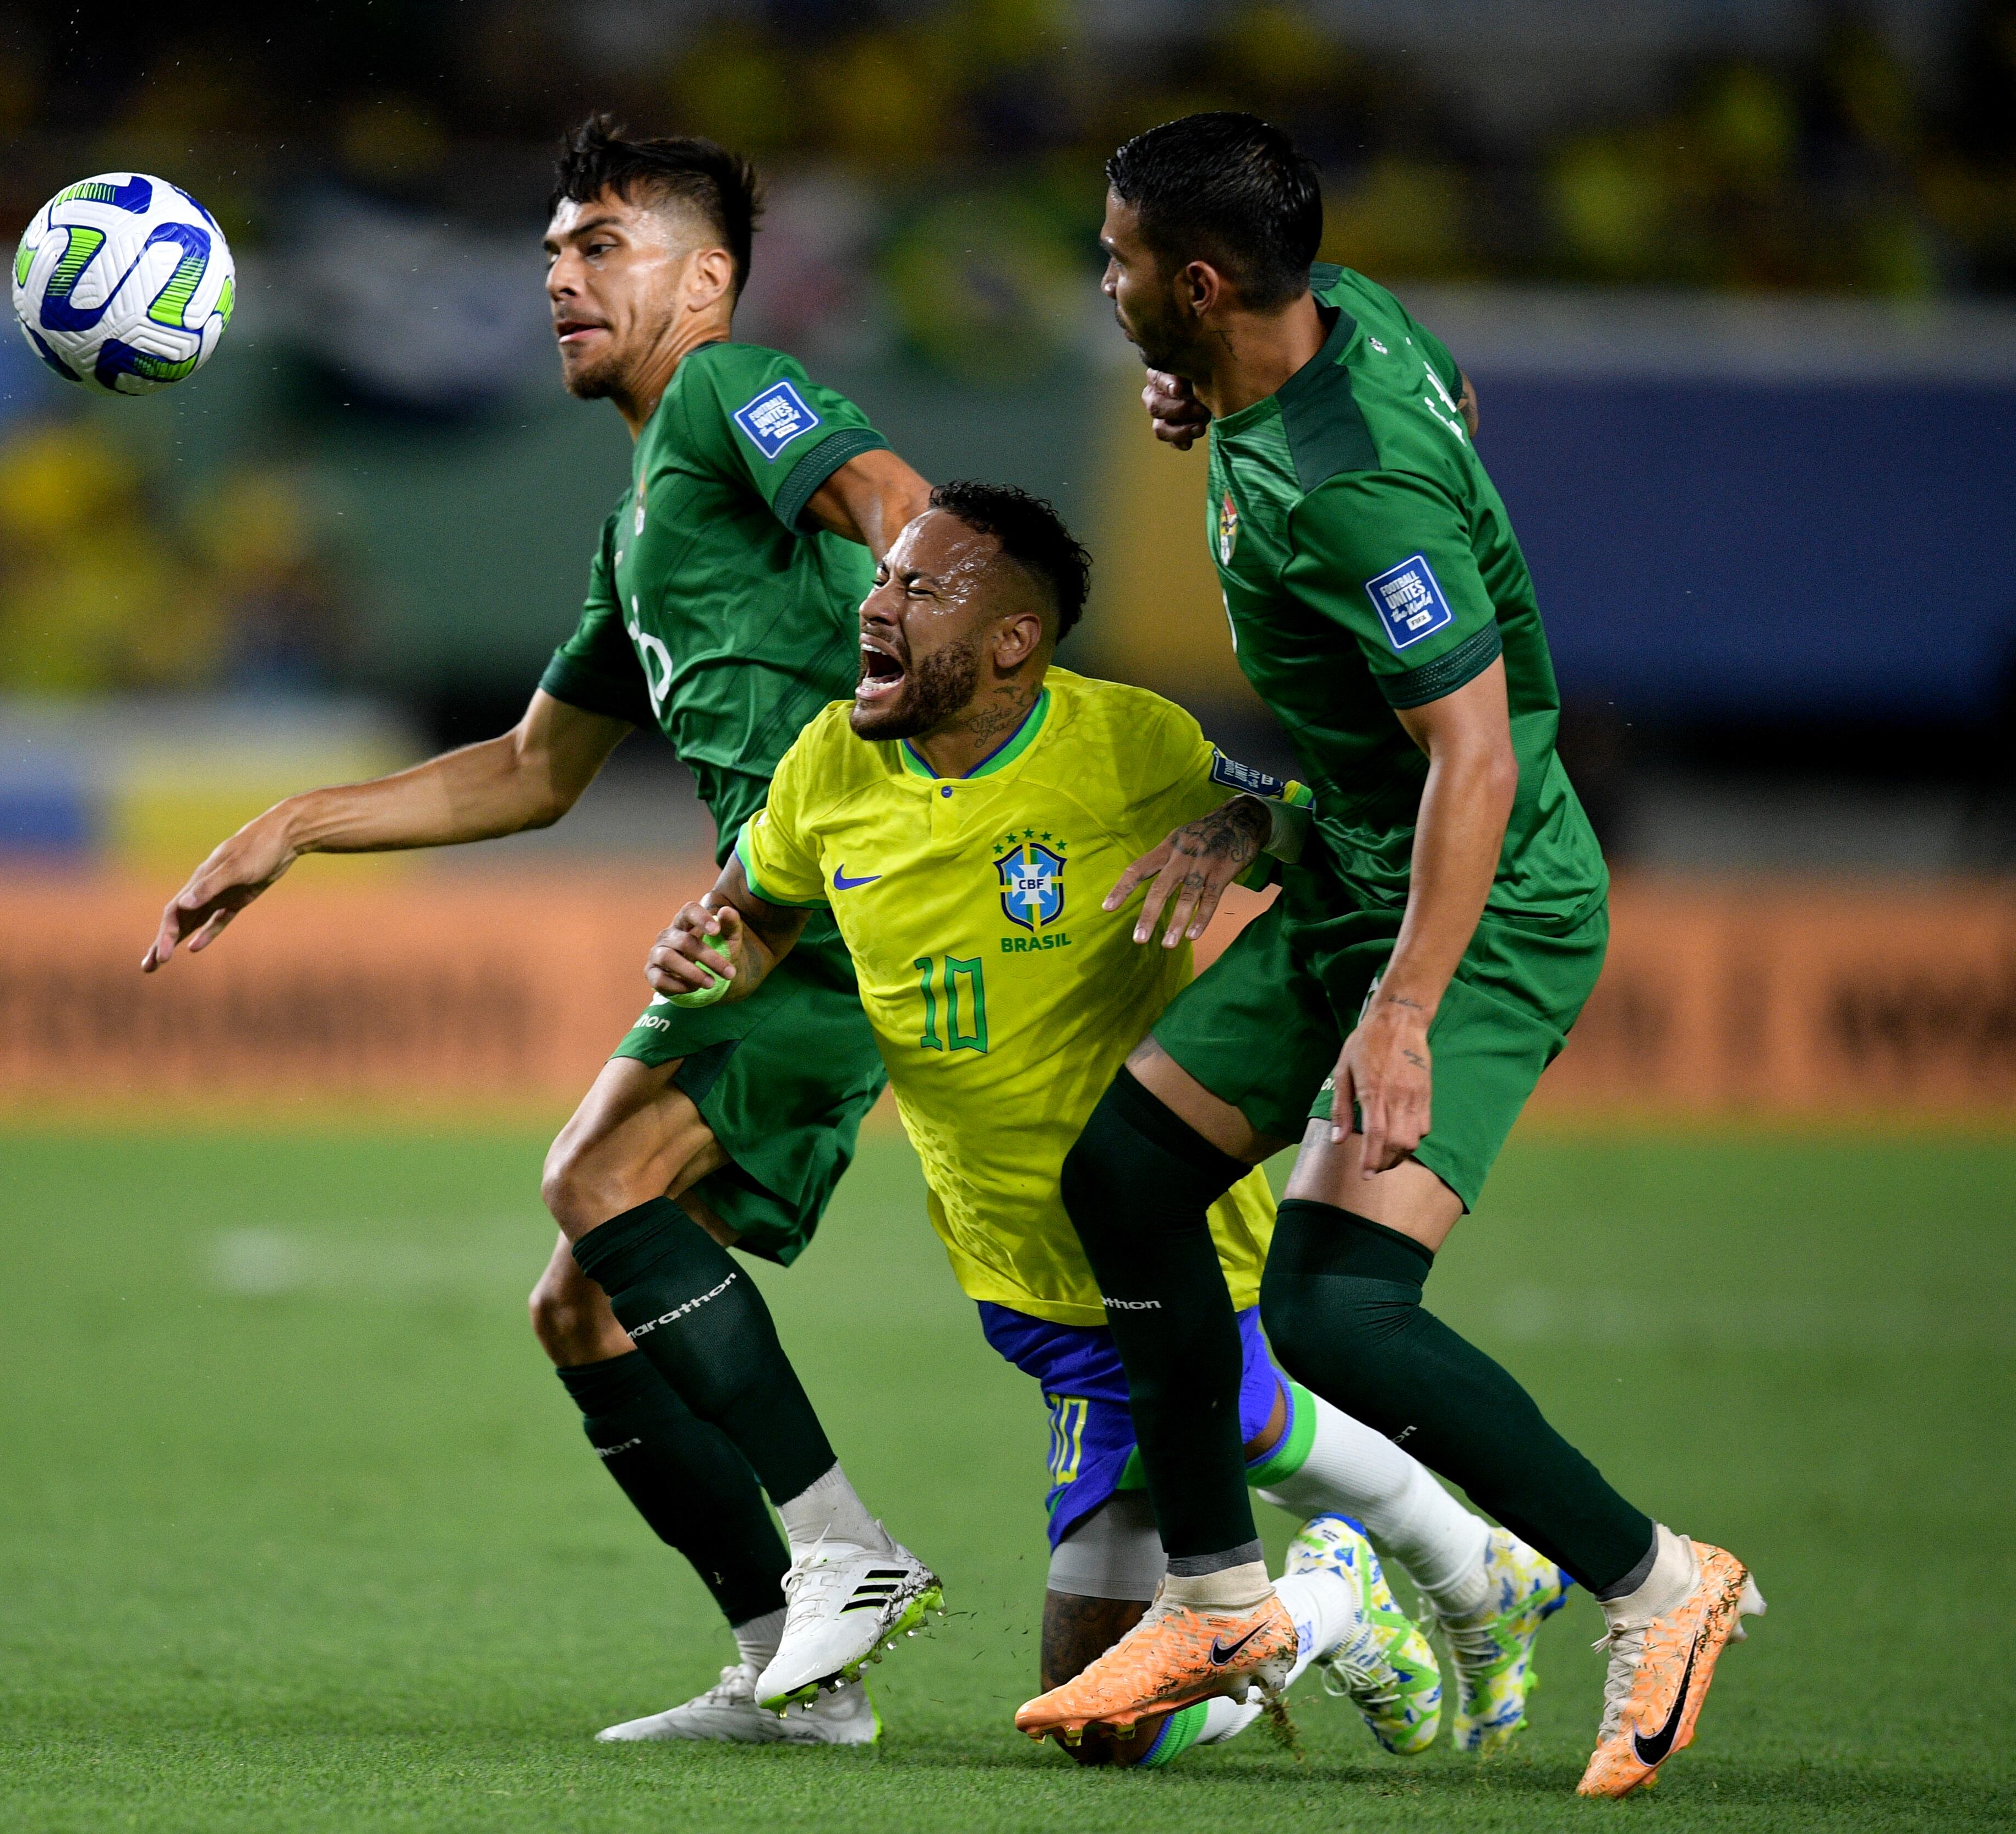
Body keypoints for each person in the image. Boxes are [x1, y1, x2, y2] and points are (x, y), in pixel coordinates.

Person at [143, 117, 939, 1739]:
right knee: (579, 1299)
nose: (563, 281)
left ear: (707, 280)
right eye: (553, 256)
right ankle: (801, 1680)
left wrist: (879, 745)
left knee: (591, 1175)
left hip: (834, 897)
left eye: (602, 247)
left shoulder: (730, 391)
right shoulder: (638, 515)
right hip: (786, 905)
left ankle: (843, 1549)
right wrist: (294, 823)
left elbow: (901, 510)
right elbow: (529, 769)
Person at [1008, 113, 1762, 1799]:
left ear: (1199, 283)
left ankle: (1662, 1583)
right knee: (1128, 1178)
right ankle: (1216, 1600)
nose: (1104, 277)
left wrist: (1405, 1008)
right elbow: (1454, 412)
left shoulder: (1355, 490)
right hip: (1359, 854)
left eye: (1122, 258)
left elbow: (1476, 761)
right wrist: (1206, 399)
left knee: (1337, 1306)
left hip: (1478, 901)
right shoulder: (1336, 317)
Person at [641, 480, 1569, 1767]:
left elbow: (1332, 834)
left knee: (1232, 1419)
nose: (875, 601)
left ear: (1014, 641)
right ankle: (1403, 1582)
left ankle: (1343, 1597)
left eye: (919, 586)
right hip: (1014, 1266)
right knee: (1111, 1705)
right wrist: (708, 952)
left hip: (1166, 1236)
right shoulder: (827, 761)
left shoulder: (1129, 742)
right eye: (881, 580)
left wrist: (1248, 818)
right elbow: (755, 922)